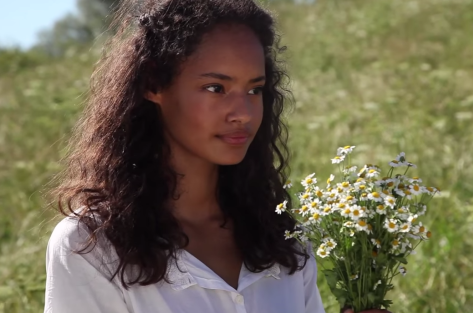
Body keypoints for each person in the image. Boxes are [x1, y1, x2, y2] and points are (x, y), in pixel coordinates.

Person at [44, 0, 389, 312]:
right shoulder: (91, 247)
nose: (243, 113)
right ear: (153, 83)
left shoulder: (283, 240)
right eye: (216, 88)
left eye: (254, 90)